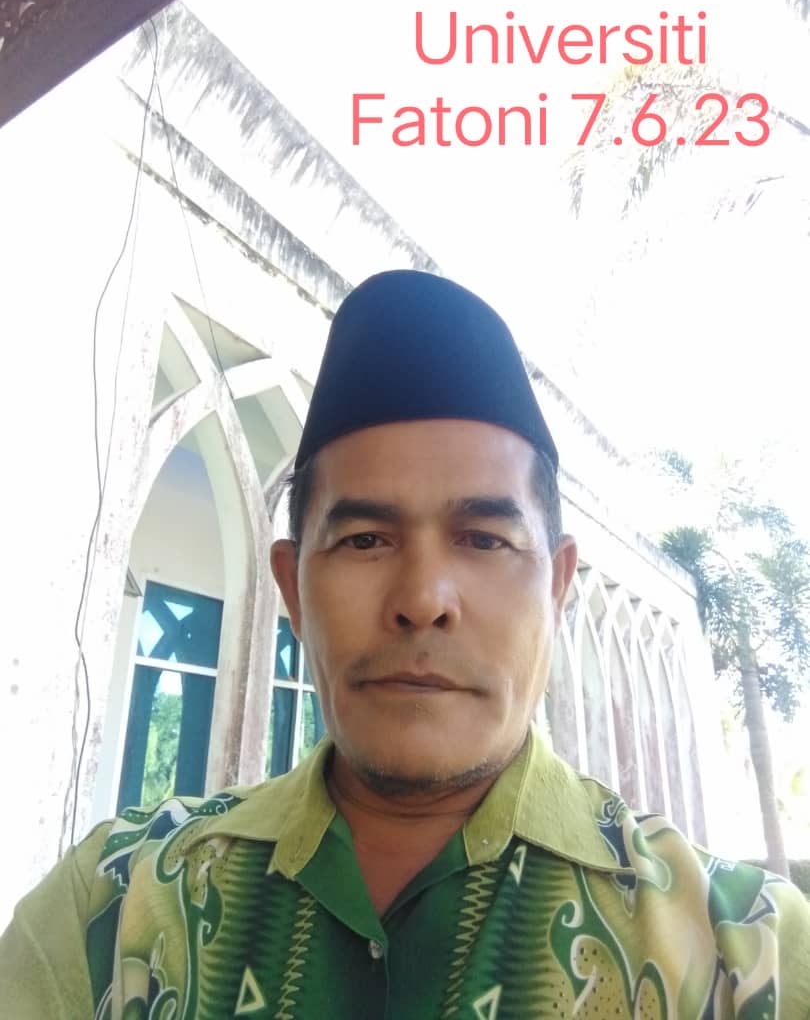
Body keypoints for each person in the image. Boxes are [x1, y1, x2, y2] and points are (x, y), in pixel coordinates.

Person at [2, 270, 809, 1019]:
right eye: (364, 540)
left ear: (558, 588)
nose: (423, 601)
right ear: (292, 588)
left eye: (485, 539)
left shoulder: (750, 955)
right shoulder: (109, 910)